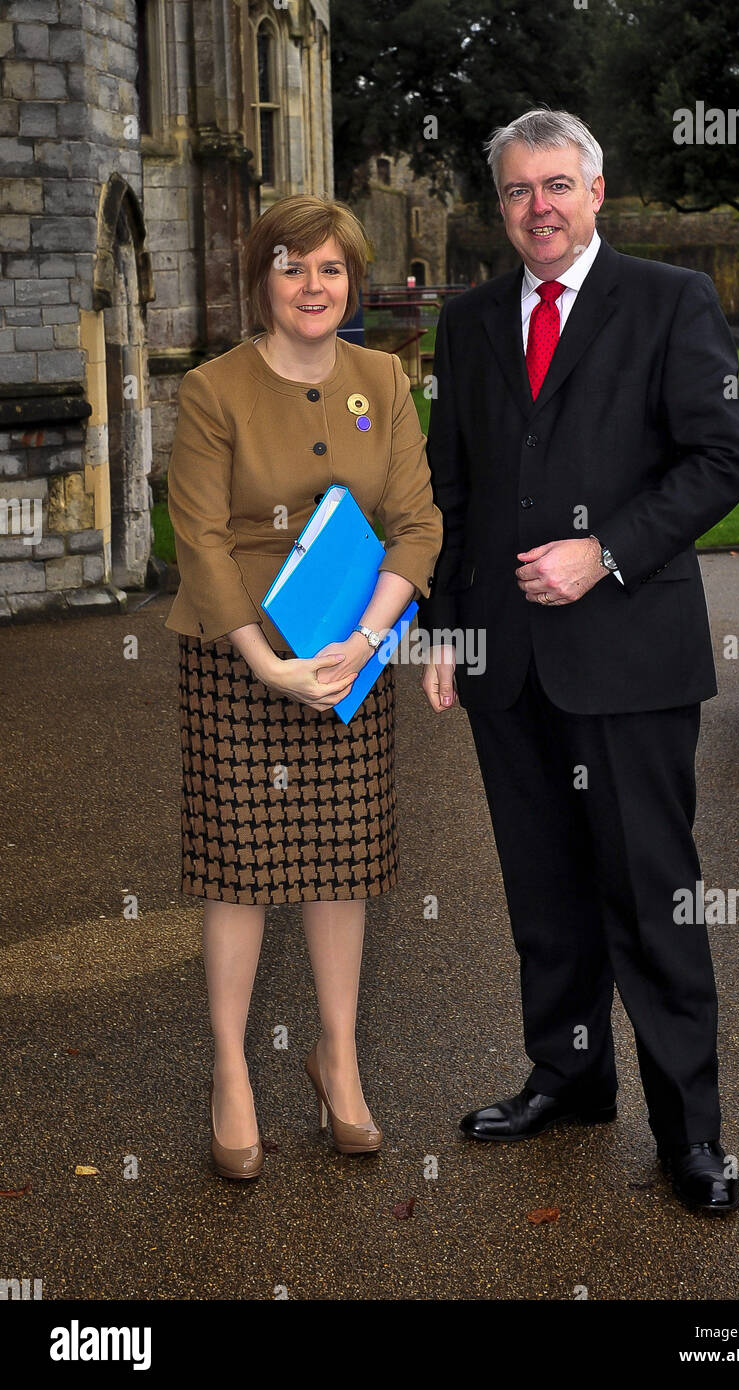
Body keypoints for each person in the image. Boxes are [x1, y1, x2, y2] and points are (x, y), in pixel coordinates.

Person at [419, 109, 739, 1214]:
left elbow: (720, 461)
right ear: (501, 206)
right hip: (506, 667)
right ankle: (568, 1077)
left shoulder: (670, 302)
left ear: (597, 191)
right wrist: (443, 629)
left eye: (557, 185)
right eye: (518, 191)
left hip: (630, 664)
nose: (539, 208)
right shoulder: (467, 325)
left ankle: (692, 1134)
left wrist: (602, 552)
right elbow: (450, 493)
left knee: (652, 900)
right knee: (545, 894)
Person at [165, 194, 442, 1176]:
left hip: (347, 657)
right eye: (291, 267)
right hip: (239, 655)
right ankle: (232, 1071)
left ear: (351, 281)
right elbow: (196, 534)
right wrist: (263, 656)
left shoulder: (386, 379)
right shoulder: (211, 389)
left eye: (329, 269)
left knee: (343, 857)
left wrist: (366, 640)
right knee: (239, 864)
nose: (312, 286)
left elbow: (416, 521)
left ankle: (338, 1055)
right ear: (261, 281)